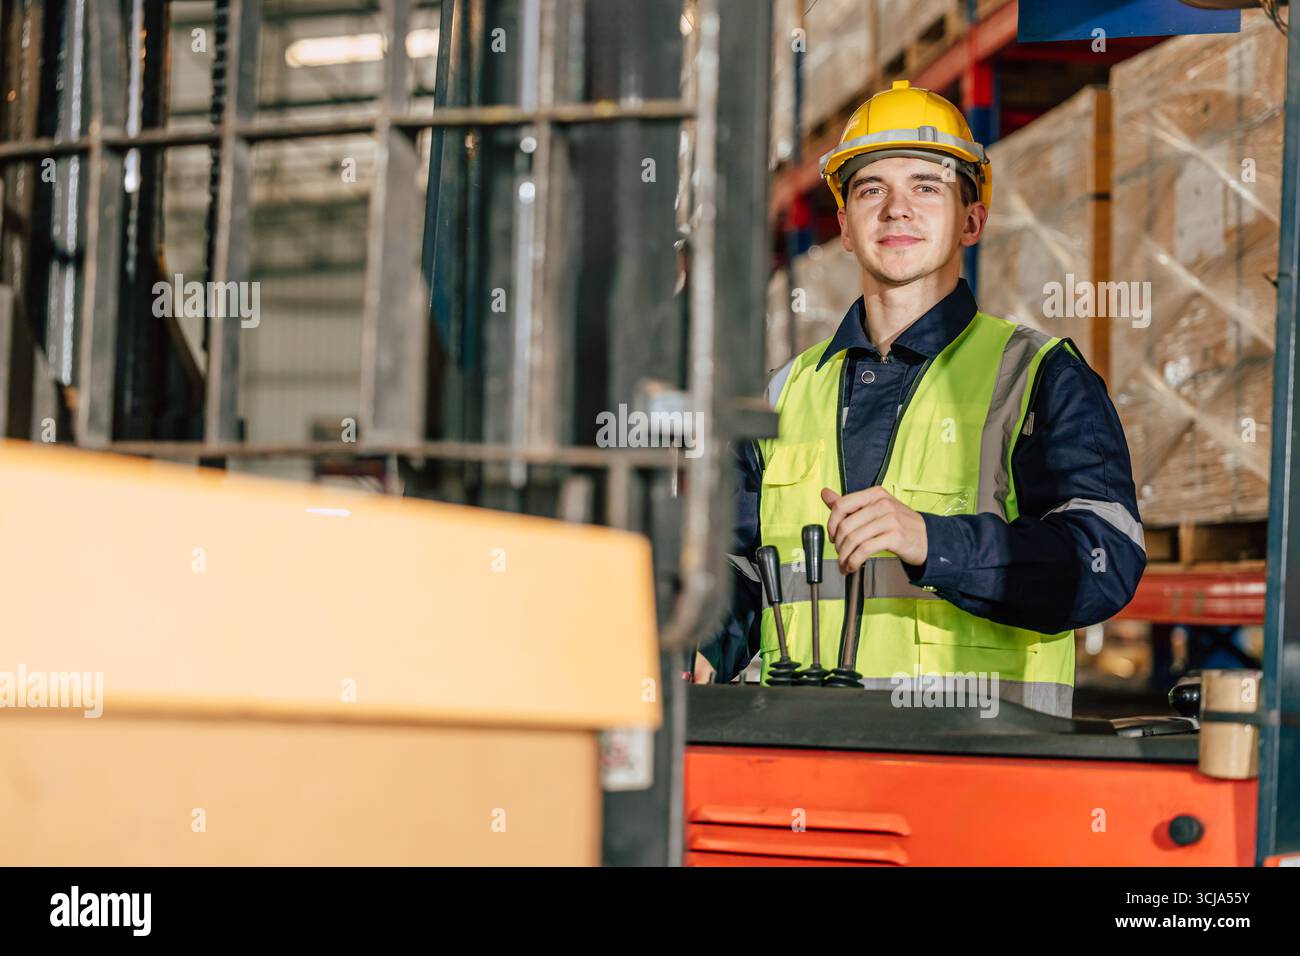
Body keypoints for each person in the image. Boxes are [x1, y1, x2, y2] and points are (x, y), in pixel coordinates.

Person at [703, 80, 1145, 717]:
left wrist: (932, 542)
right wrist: (700, 641)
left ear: (973, 220)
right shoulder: (782, 394)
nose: (896, 209)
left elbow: (1105, 564)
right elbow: (744, 578)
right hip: (804, 762)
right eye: (870, 189)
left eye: (926, 186)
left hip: (975, 770)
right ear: (847, 228)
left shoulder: (1040, 377)